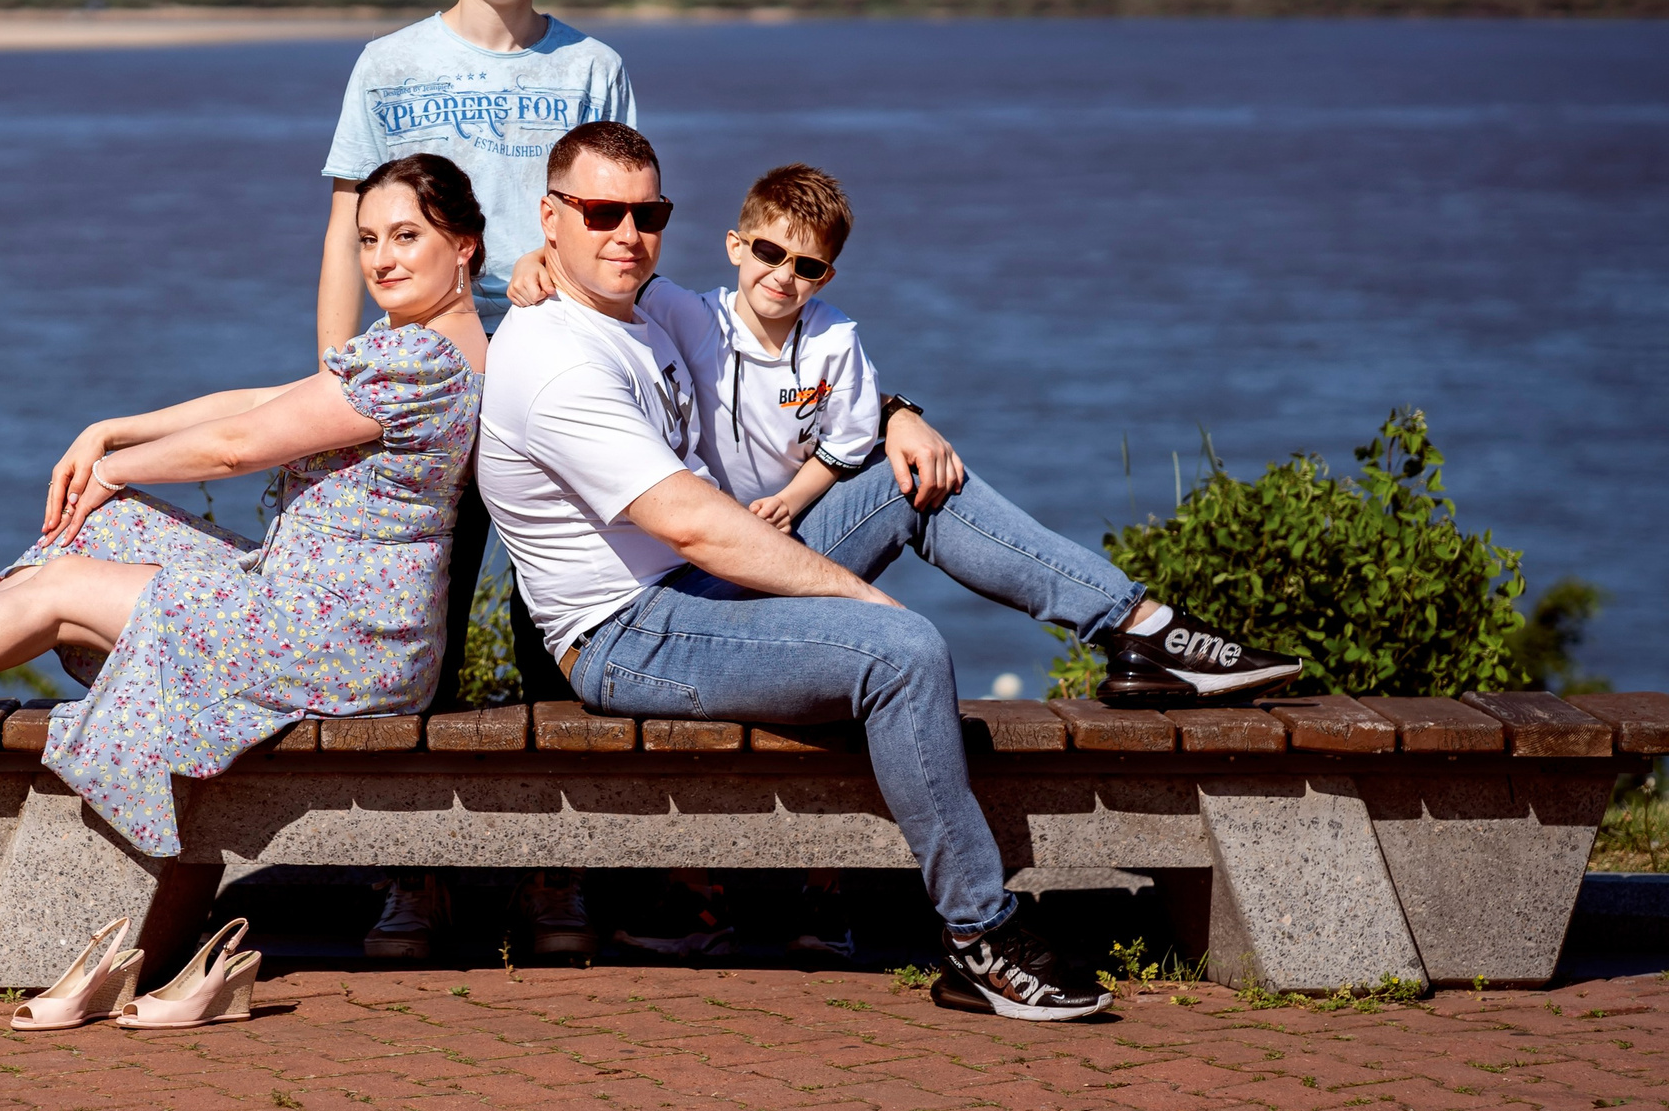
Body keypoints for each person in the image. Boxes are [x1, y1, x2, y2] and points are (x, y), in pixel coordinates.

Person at [478, 121, 1297, 1020]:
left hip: (696, 588)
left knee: (910, 478)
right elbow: (695, 528)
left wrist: (898, 412)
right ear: (552, 217)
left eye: (648, 211)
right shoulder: (558, 359)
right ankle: (980, 934)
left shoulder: (644, 307)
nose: (627, 232)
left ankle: (1139, 631)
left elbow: (791, 359)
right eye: (601, 212)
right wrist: (855, 596)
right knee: (902, 649)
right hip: (631, 629)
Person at [0, 154, 488, 859]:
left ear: (464, 246)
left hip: (341, 638)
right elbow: (268, 399)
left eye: (406, 236)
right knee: (98, 530)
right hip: (331, 613)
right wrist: (115, 426)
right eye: (367, 239)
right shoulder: (433, 347)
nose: (381, 260)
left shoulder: (416, 359)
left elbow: (238, 447)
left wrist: (114, 466)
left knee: (65, 580)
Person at [315, 0, 633, 959]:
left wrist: (567, 259)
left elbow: (612, 214)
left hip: (550, 374)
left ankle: (561, 880)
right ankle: (414, 879)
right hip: (425, 379)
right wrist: (332, 365)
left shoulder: (591, 66)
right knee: (420, 629)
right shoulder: (388, 65)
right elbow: (349, 225)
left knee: (557, 624)